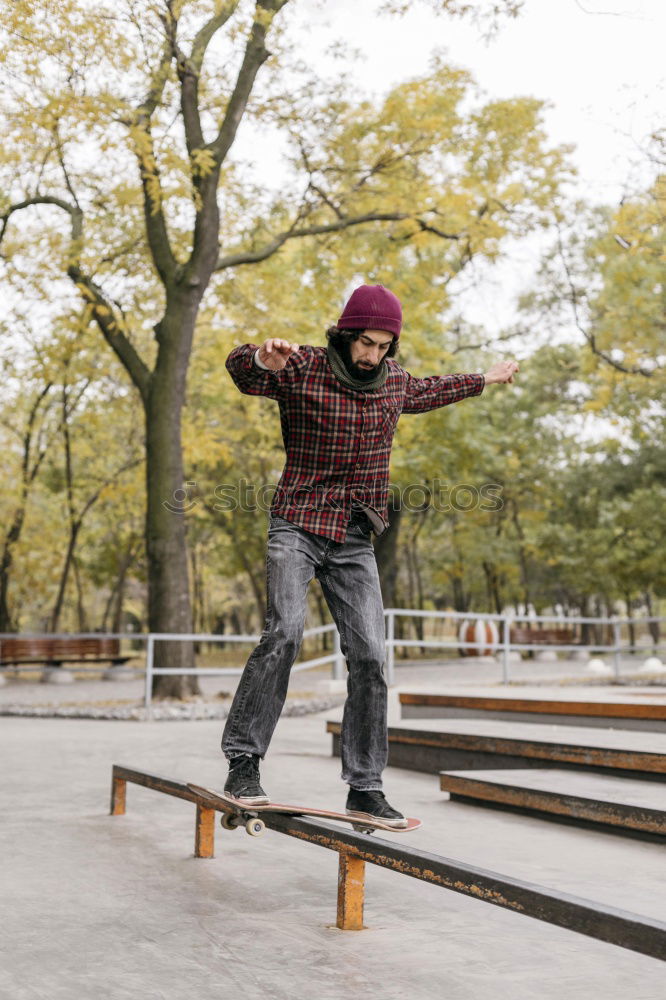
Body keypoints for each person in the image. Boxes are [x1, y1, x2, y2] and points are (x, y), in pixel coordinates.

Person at [221, 284, 519, 827]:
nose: (371, 356)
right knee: (285, 630)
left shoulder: (394, 383)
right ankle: (244, 762)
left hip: (355, 536)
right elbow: (245, 373)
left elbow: (433, 389)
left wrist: (485, 379)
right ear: (344, 334)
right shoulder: (304, 366)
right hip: (298, 523)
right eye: (365, 344)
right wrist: (261, 357)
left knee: (370, 656)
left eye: (383, 347)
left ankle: (365, 788)